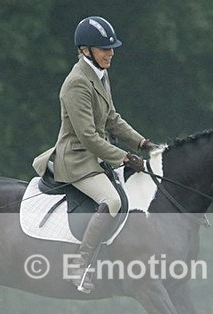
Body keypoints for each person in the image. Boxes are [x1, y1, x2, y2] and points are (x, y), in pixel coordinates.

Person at [32, 16, 158, 293]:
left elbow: (112, 119)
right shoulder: (76, 83)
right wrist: (123, 158)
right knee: (112, 200)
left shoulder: (100, 75)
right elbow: (87, 136)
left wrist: (142, 143)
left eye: (112, 48)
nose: (111, 53)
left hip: (97, 155)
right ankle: (79, 265)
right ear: (85, 50)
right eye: (105, 48)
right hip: (76, 159)